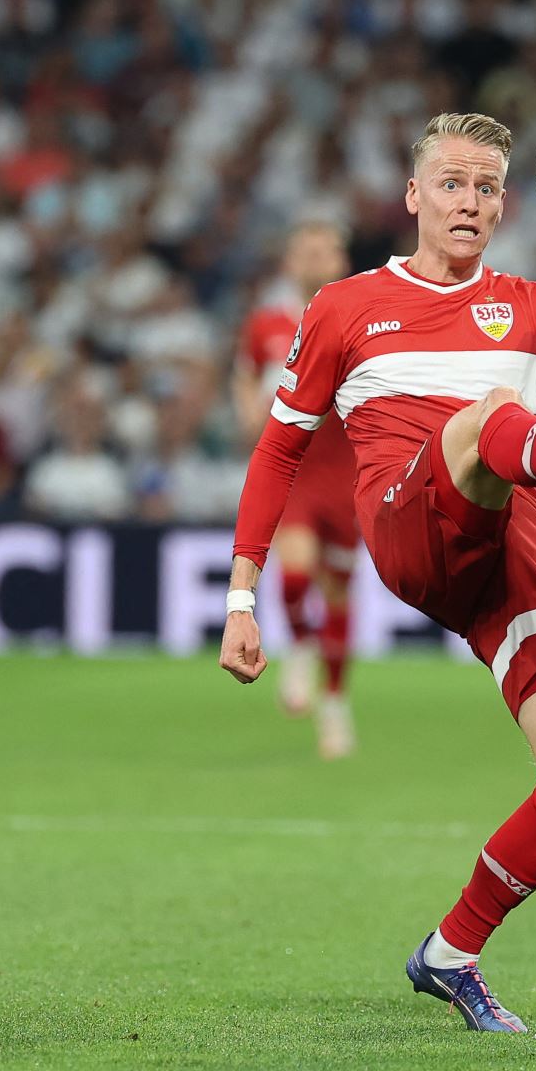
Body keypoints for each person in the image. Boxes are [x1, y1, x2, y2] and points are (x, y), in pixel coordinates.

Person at [219, 113, 536, 1032]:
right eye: (452, 183)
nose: (469, 203)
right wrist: (241, 594)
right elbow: (277, 451)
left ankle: (451, 952)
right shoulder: (343, 308)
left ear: (505, 204)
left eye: (487, 189)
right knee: (484, 416)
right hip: (412, 527)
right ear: (413, 196)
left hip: (511, 547)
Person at [233, 221, 358, 757]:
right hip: (299, 467)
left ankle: (334, 702)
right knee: (297, 571)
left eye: (324, 250)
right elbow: (245, 374)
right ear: (290, 261)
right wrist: (245, 412)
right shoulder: (267, 323)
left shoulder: (361, 313)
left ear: (339, 258)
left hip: (350, 470)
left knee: (337, 592)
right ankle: (301, 648)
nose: (314, 259)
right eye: (305, 251)